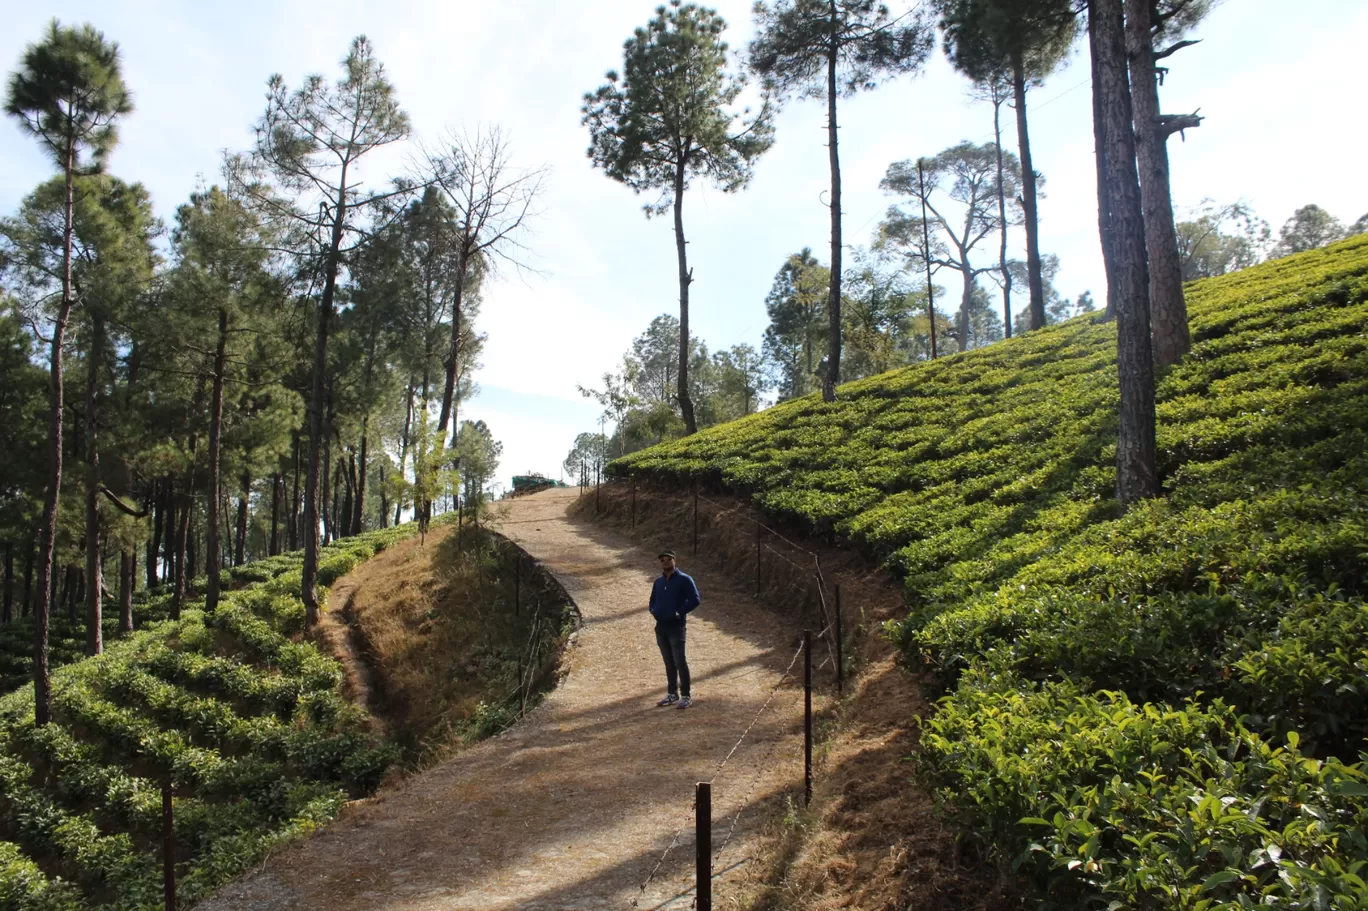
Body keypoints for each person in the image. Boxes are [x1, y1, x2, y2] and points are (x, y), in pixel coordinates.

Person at [649, 549, 700, 709]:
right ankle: (672, 693)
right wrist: (654, 611)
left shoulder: (685, 579)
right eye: (662, 559)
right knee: (668, 662)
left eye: (668, 559)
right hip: (661, 626)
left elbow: (695, 599)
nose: (665, 562)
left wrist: (679, 612)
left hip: (676, 627)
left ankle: (686, 695)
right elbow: (652, 600)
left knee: (679, 661)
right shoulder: (658, 582)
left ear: (674, 560)